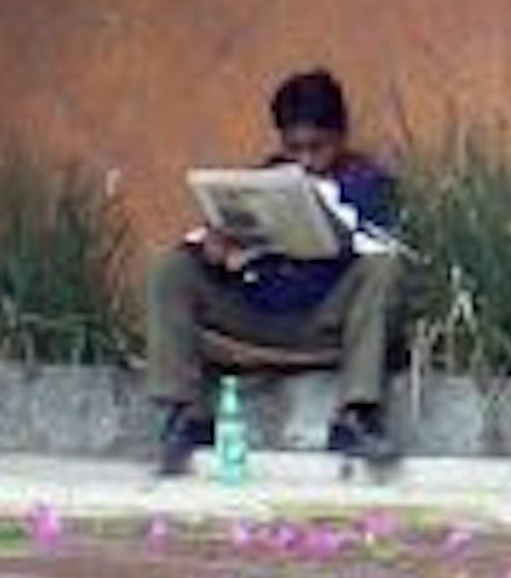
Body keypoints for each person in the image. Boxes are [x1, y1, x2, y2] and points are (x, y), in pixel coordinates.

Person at [146, 65, 405, 475]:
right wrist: (214, 251)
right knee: (171, 268)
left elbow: (386, 247)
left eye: (316, 148)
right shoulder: (267, 180)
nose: (303, 160)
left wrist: (332, 224)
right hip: (257, 312)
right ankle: (184, 415)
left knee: (383, 269)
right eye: (293, 148)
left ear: (339, 138)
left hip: (325, 316)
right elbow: (204, 245)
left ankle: (356, 415)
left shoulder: (369, 184)